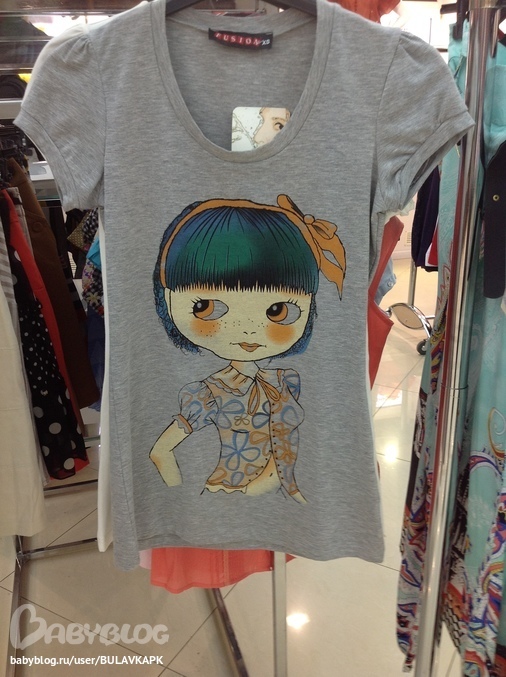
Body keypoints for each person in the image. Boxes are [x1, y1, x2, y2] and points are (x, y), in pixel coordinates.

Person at [150, 194, 346, 504]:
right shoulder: (208, 393)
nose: (248, 330)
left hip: (284, 503)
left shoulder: (285, 381)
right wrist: (181, 501)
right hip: (227, 498)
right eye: (206, 307)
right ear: (169, 298)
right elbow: (160, 451)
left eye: (278, 310)